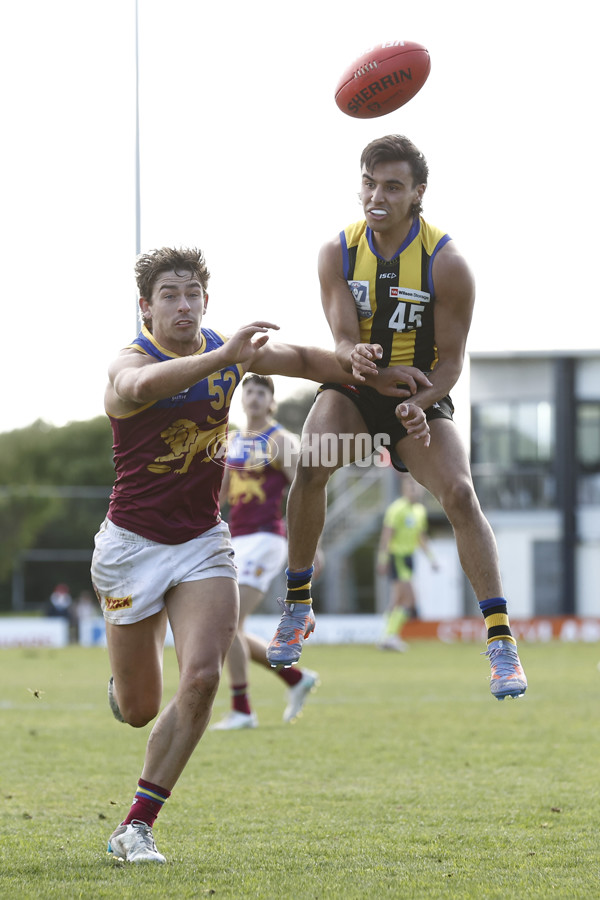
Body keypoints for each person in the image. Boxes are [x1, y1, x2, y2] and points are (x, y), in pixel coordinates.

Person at [91, 246, 429, 865]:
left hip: (202, 542)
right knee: (139, 709)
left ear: (206, 301)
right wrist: (223, 357)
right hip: (130, 549)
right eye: (169, 294)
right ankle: (123, 684)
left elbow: (300, 359)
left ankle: (137, 825)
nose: (184, 305)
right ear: (145, 306)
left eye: (193, 294)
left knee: (201, 677)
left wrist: (362, 372)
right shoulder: (130, 361)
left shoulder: (225, 348)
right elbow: (137, 387)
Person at [266, 134, 528, 703]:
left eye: (392, 185)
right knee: (312, 466)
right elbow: (340, 334)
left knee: (459, 492)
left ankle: (501, 640)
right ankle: (299, 604)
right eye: (369, 181)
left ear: (417, 193)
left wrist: (423, 398)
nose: (376, 195)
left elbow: (453, 360)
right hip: (357, 389)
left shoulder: (448, 263)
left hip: (418, 392)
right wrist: (350, 355)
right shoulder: (336, 251)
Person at [210, 374, 319, 731]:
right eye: (249, 391)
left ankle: (243, 709)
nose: (254, 397)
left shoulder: (280, 441)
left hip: (268, 538)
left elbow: (307, 491)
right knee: (228, 627)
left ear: (272, 403)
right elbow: (220, 496)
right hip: (237, 539)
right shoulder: (233, 441)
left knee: (228, 624)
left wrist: (311, 546)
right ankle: (295, 679)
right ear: (241, 400)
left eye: (262, 392)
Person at [376, 476, 438, 652]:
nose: (414, 489)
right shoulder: (397, 509)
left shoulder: (419, 511)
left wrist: (432, 559)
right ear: (403, 488)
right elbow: (387, 536)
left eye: (416, 486)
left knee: (397, 599)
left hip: (410, 558)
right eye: (410, 485)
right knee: (410, 599)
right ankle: (390, 635)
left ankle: (386, 637)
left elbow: (421, 537)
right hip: (398, 557)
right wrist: (383, 559)